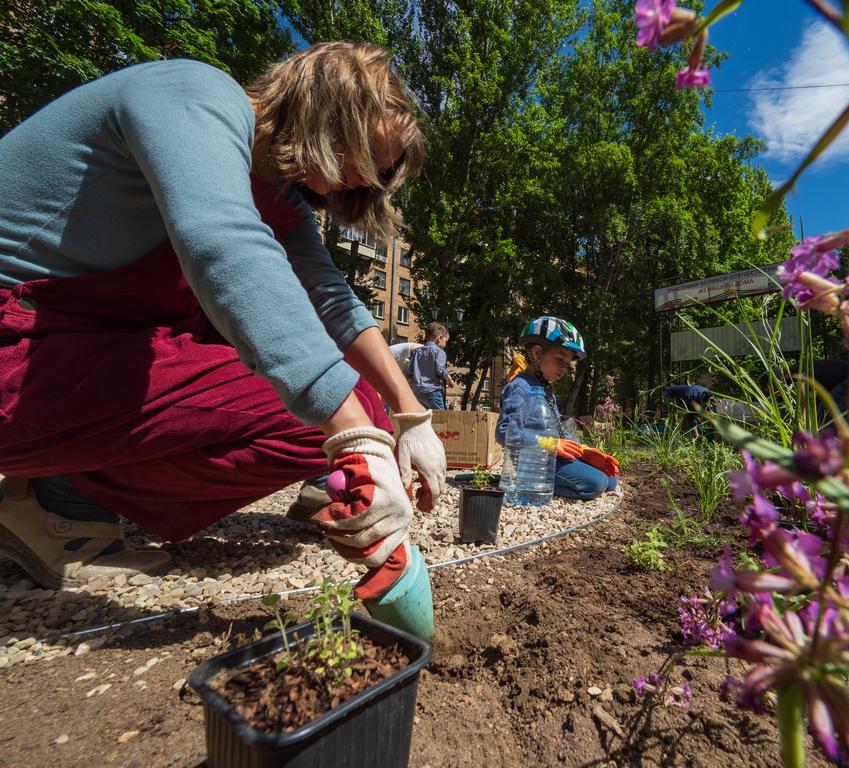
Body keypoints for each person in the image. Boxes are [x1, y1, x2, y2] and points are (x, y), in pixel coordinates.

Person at [0, 42, 446, 603]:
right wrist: (353, 436)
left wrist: (409, 416)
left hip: (73, 345)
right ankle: (58, 502)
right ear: (328, 109)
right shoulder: (193, 94)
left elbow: (330, 300)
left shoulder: (281, 195)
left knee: (364, 407)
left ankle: (61, 478)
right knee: (321, 420)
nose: (360, 180)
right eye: (363, 155)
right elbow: (226, 246)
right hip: (17, 345)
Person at [496, 317, 619, 501]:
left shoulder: (545, 387)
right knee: (596, 484)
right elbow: (503, 432)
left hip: (549, 456)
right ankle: (528, 484)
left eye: (567, 364)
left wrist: (583, 449)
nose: (563, 369)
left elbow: (558, 431)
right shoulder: (520, 387)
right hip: (531, 461)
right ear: (537, 353)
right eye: (560, 359)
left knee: (610, 478)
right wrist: (549, 444)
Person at [408, 323, 455, 410]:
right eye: (445, 341)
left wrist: (411, 382)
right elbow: (440, 369)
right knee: (440, 418)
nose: (445, 344)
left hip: (417, 392)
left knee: (423, 417)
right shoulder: (439, 352)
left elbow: (409, 371)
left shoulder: (416, 351)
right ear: (440, 338)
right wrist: (449, 379)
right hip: (432, 391)